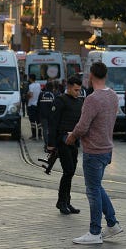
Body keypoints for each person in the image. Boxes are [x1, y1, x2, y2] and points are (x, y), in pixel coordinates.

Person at [66, 62, 122, 245]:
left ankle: (95, 232)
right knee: (97, 187)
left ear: (91, 76)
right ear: (105, 75)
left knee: (92, 191)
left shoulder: (92, 98)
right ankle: (112, 224)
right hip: (106, 149)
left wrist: (72, 137)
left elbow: (83, 126)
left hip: (93, 151)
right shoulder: (113, 95)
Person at [49, 76, 84, 215]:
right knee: (68, 171)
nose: (78, 92)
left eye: (79, 90)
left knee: (71, 171)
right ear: (69, 87)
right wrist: (51, 144)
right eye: (76, 90)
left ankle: (66, 201)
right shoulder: (60, 100)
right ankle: (61, 202)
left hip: (73, 141)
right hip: (62, 140)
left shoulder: (79, 102)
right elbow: (53, 123)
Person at [38, 81, 56, 151]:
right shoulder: (54, 94)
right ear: (52, 87)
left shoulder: (41, 94)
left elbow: (38, 105)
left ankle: (46, 144)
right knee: (52, 130)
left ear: (46, 87)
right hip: (53, 115)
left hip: (43, 115)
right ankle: (51, 144)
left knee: (45, 130)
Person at [27, 73, 41, 140]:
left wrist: (27, 95)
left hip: (31, 104)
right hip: (38, 105)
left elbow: (31, 95)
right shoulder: (38, 85)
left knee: (32, 121)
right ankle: (40, 135)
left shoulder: (31, 86)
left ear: (30, 78)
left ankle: (34, 135)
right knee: (38, 120)